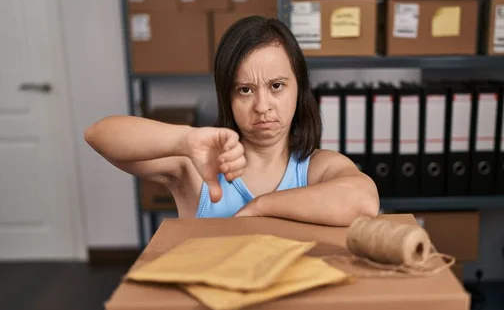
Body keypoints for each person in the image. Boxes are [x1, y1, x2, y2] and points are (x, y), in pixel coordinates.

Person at [85, 16, 380, 227]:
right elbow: (99, 136)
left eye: (276, 86)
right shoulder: (197, 168)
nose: (262, 107)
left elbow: (363, 202)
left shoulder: (318, 167)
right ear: (226, 97)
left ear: (299, 90)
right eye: (245, 90)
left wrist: (259, 208)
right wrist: (183, 141)